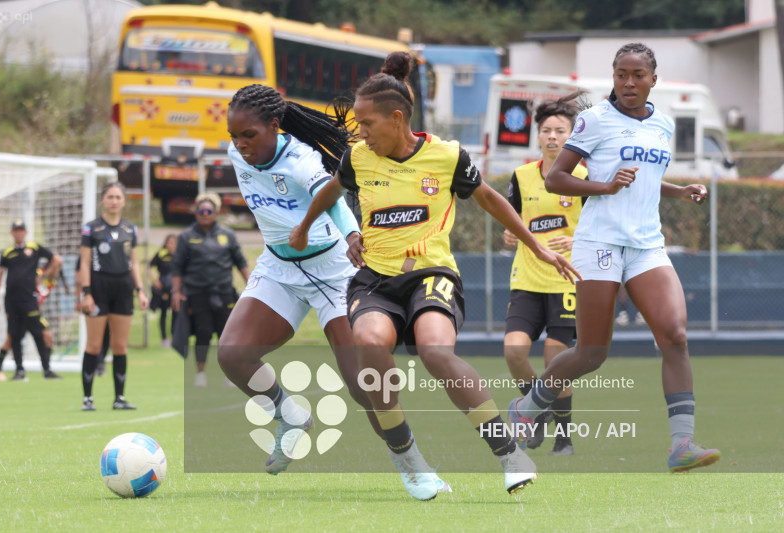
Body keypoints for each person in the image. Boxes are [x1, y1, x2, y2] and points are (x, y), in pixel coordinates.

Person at [290, 52, 579, 500]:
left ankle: (509, 454)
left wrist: (534, 242)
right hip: (375, 280)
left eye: (367, 124)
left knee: (435, 351)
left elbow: (488, 199)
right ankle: (410, 462)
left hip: (431, 275)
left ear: (397, 118)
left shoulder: (446, 157)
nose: (360, 134)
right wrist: (307, 226)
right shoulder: (359, 158)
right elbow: (332, 188)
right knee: (368, 343)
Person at [509, 42, 721, 473]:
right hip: (600, 244)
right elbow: (555, 179)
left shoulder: (662, 123)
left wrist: (680, 191)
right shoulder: (594, 121)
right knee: (591, 353)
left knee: (675, 334)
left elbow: (643, 179)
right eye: (621, 74)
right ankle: (527, 407)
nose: (628, 82)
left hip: (646, 245)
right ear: (613, 77)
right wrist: (605, 187)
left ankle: (682, 444)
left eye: (637, 75)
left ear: (653, 80)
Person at [216, 84, 391, 477]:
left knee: (363, 386)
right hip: (279, 268)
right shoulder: (236, 153)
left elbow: (333, 195)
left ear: (274, 126)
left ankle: (411, 460)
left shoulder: (300, 159)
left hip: (332, 270)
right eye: (234, 136)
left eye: (249, 135)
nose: (240, 144)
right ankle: (291, 417)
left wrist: (350, 235)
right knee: (232, 354)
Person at [502, 94, 587, 456]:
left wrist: (578, 238)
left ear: (571, 137)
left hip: (566, 280)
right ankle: (535, 413)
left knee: (556, 356)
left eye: (560, 131)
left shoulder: (585, 176)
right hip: (526, 278)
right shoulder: (522, 176)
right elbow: (513, 221)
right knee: (514, 351)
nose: (553, 137)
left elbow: (604, 227)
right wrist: (509, 235)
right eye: (546, 131)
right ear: (537, 137)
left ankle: (564, 437)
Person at [79, 182, 149, 411]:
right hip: (98, 287)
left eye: (118, 197)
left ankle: (119, 398)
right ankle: (88, 398)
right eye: (110, 196)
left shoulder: (130, 229)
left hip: (123, 287)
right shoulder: (91, 228)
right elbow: (85, 263)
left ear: (124, 201)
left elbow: (134, 263)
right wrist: (86, 293)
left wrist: (140, 290)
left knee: (120, 345)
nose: (114, 201)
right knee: (94, 345)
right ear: (102, 200)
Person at [171, 193, 249, 387]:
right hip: (198, 293)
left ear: (216, 213)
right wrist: (176, 292)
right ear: (196, 212)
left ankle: (229, 375)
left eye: (209, 211)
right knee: (203, 332)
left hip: (224, 292)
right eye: (201, 211)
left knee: (227, 334)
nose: (205, 214)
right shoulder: (187, 236)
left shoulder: (227, 234)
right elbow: (177, 267)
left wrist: (252, 286)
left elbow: (240, 262)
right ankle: (200, 373)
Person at [0, 220, 62, 381]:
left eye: (21, 230)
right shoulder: (7, 252)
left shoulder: (34, 248)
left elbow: (56, 259)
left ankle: (46, 370)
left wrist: (43, 276)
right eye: (15, 230)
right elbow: (0, 275)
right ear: (11, 233)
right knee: (14, 336)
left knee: (40, 334)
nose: (18, 233)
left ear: (26, 232)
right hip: (11, 301)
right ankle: (19, 371)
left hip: (29, 300)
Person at [150, 234, 177, 348]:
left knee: (176, 314)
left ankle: (175, 337)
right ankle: (164, 338)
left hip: (175, 290)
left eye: (173, 243)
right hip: (163, 290)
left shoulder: (180, 255)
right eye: (168, 242)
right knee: (164, 313)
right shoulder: (161, 254)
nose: (170, 245)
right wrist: (154, 281)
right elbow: (149, 267)